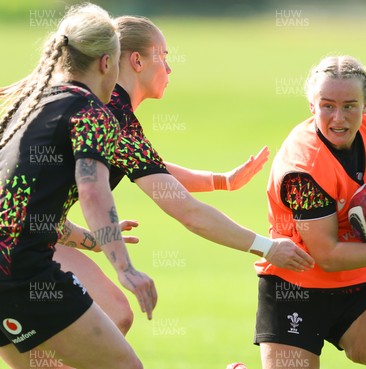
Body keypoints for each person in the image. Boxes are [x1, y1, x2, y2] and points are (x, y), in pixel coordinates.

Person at [48, 13, 315, 347]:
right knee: (115, 316)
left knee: (110, 318)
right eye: (164, 57)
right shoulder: (112, 114)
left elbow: (153, 168)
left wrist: (221, 181)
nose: (170, 69)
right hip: (19, 240)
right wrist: (268, 247)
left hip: (30, 232)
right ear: (136, 61)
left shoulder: (108, 110)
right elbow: (189, 213)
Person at [0, 4, 155, 369]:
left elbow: (20, 205)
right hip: (21, 274)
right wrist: (125, 268)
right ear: (106, 63)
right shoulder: (90, 112)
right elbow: (93, 190)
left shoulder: (30, 104)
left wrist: (91, 239)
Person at [253, 56, 366, 369]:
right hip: (296, 288)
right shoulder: (303, 169)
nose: (339, 118)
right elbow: (328, 255)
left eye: (350, 105)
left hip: (357, 285)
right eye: (327, 106)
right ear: (312, 106)